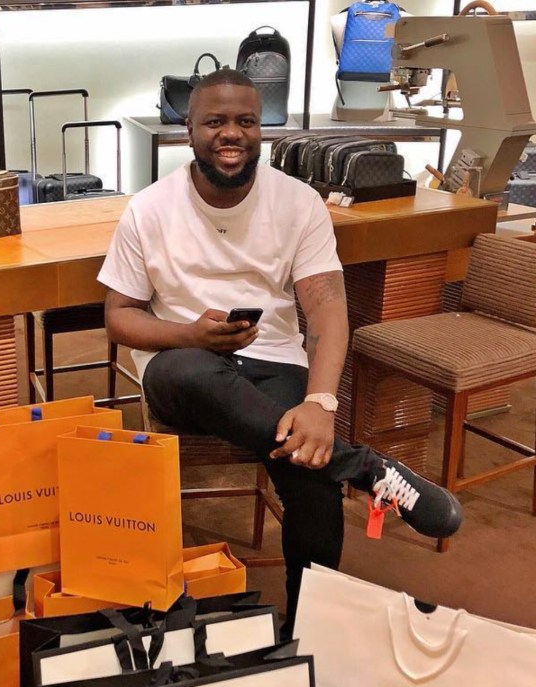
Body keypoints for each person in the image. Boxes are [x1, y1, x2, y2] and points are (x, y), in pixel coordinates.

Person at [99, 68, 462, 639]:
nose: (231, 133)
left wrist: (320, 403)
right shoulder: (148, 209)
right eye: (214, 121)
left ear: (261, 129)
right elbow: (119, 317)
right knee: (194, 372)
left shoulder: (298, 203)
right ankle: (366, 468)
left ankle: (307, 628)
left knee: (309, 472)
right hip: (182, 365)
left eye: (246, 121)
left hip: (274, 362)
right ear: (187, 128)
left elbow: (327, 311)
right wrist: (192, 334)